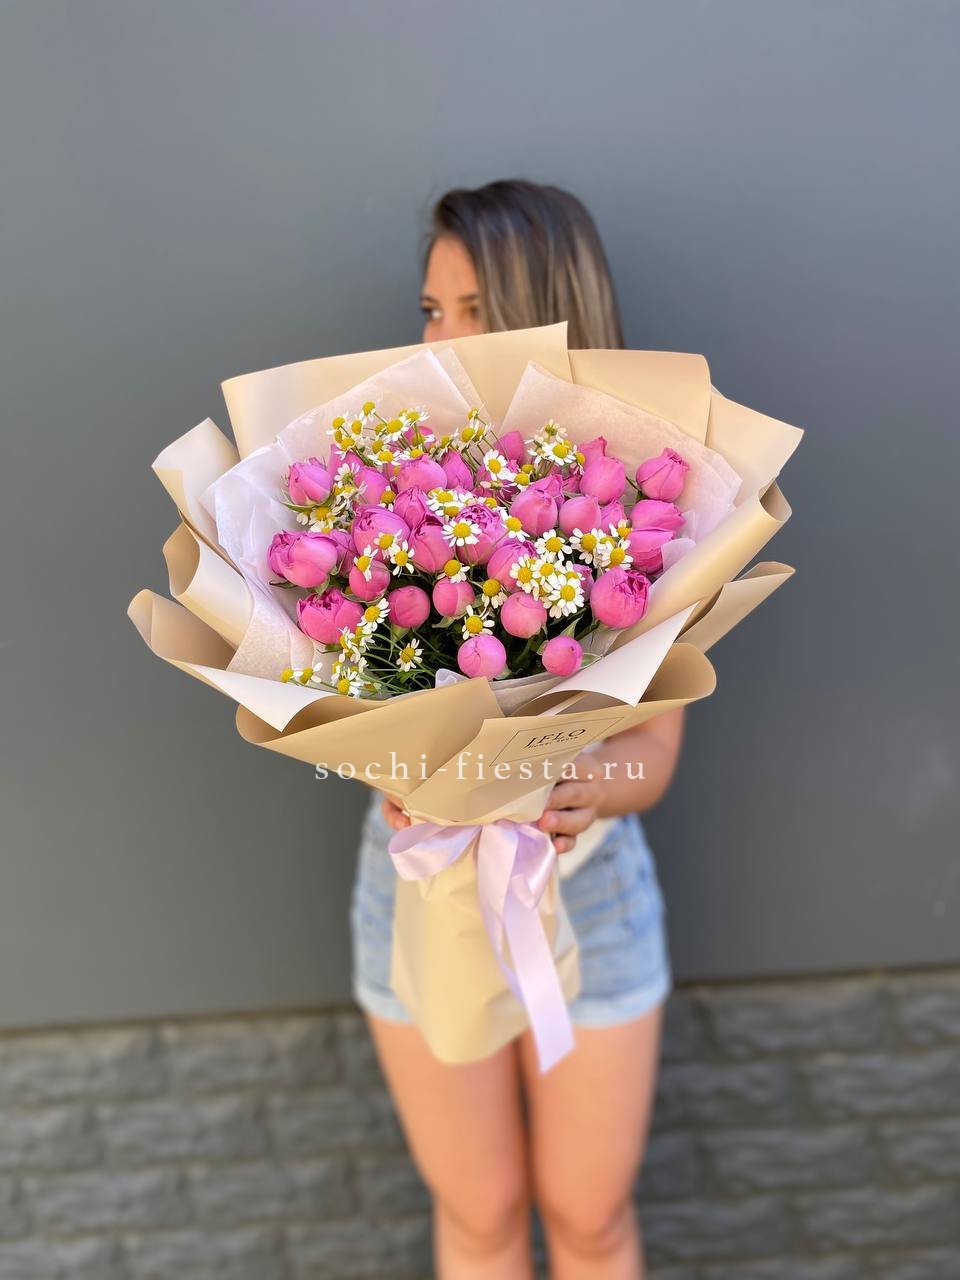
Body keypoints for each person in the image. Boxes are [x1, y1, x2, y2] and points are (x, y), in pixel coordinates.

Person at [350, 179, 685, 1279]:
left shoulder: (646, 501)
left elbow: (653, 755)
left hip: (587, 890)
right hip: (421, 886)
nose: (440, 338)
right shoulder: (377, 488)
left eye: (476, 310)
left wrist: (584, 786)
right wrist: (395, 770)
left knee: (588, 1217)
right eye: (430, 309)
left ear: (552, 313)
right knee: (482, 1214)